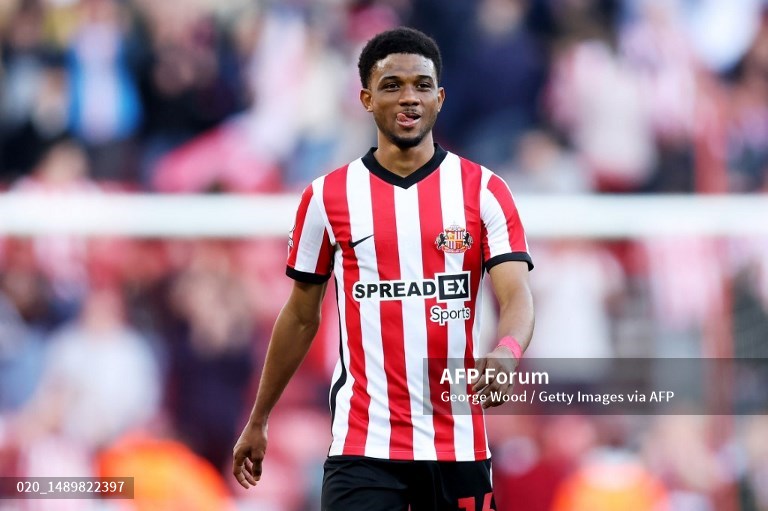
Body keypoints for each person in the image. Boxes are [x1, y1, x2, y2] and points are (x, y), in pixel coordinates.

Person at [232, 27, 535, 510]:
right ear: (367, 99)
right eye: (392, 85)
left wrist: (506, 351)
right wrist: (258, 419)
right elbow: (300, 316)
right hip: (362, 448)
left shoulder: (484, 191)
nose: (408, 97)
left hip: (456, 446)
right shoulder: (326, 198)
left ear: (440, 98)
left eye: (420, 85)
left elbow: (516, 293)